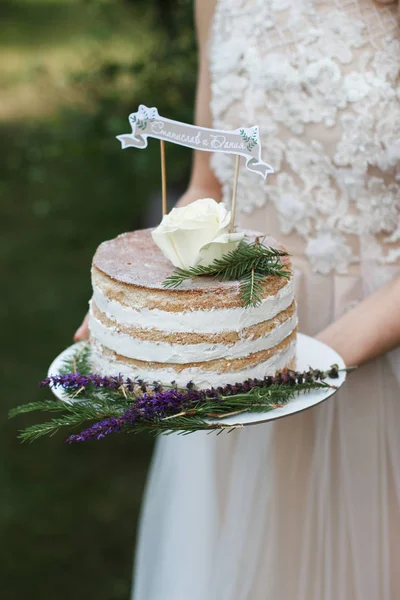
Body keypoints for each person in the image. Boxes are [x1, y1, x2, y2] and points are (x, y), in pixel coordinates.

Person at [75, 1, 400, 598]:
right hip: (237, 347)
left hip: (374, 369)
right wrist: (149, 304)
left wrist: (302, 363)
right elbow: (209, 184)